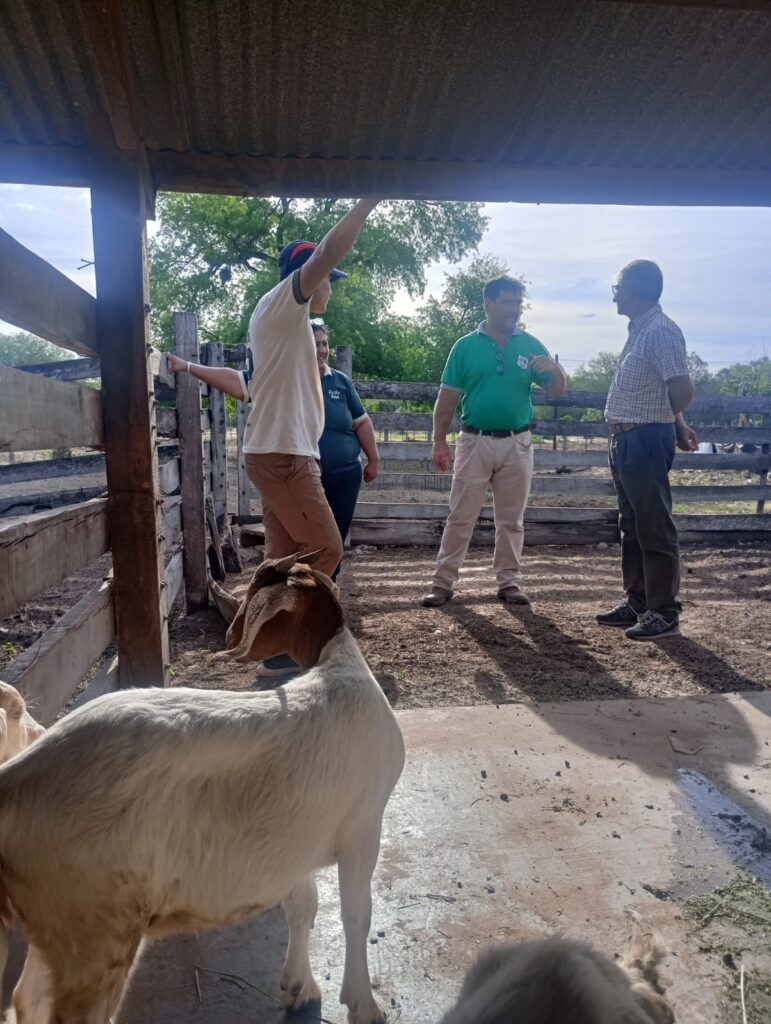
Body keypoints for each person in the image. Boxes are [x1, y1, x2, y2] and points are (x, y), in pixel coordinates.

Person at [167, 198, 379, 672]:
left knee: (282, 555)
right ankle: (272, 628)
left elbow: (245, 382)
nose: (331, 288)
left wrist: (190, 367)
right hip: (284, 456)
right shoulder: (284, 304)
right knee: (327, 549)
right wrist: (368, 202)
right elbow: (326, 252)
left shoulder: (284, 327)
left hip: (279, 454)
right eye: (328, 278)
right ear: (307, 275)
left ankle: (268, 649)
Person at [421, 275, 566, 608]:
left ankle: (509, 582)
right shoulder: (464, 347)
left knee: (511, 520)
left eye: (518, 303)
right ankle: (443, 583)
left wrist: (556, 370)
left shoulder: (530, 345)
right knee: (460, 515)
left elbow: (557, 391)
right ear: (488, 304)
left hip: (518, 442)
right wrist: (439, 441)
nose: (514, 309)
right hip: (475, 441)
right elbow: (446, 399)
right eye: (507, 302)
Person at [597, 259, 697, 641]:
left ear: (635, 290)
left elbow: (681, 388)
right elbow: (662, 387)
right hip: (628, 438)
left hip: (644, 438)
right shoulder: (641, 330)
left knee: (653, 524)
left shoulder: (660, 331)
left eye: (618, 288)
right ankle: (638, 601)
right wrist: (679, 423)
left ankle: (664, 612)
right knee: (632, 524)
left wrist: (667, 422)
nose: (615, 295)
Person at [311, 321, 379, 578]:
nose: (322, 350)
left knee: (337, 534)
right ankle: (306, 585)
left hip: (345, 474)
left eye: (324, 343)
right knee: (313, 534)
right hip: (308, 475)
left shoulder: (340, 381)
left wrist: (373, 459)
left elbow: (362, 422)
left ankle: (328, 586)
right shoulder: (295, 381)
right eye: (315, 344)